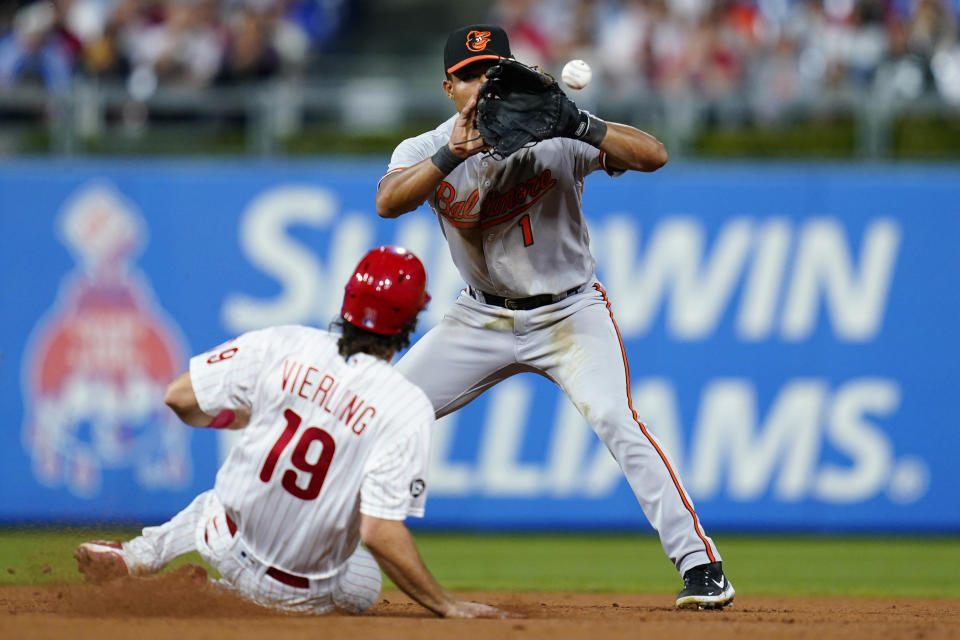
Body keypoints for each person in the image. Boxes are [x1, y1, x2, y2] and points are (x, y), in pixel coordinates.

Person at [375, 24, 735, 610]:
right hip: (479, 320)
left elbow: (654, 156)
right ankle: (307, 550)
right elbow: (389, 202)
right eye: (467, 76)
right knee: (374, 413)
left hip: (570, 313)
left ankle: (701, 565)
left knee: (618, 420)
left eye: (491, 72)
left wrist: (581, 123)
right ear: (448, 87)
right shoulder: (427, 148)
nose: (479, 86)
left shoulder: (554, 129)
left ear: (510, 74)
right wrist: (449, 156)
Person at [74, 245, 511, 619]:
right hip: (295, 593)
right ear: (412, 319)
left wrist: (236, 418)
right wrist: (446, 605)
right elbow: (379, 532)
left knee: (222, 496)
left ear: (347, 302)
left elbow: (178, 397)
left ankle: (138, 556)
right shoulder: (404, 404)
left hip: (220, 539)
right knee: (364, 578)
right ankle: (215, 596)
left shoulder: (285, 343)